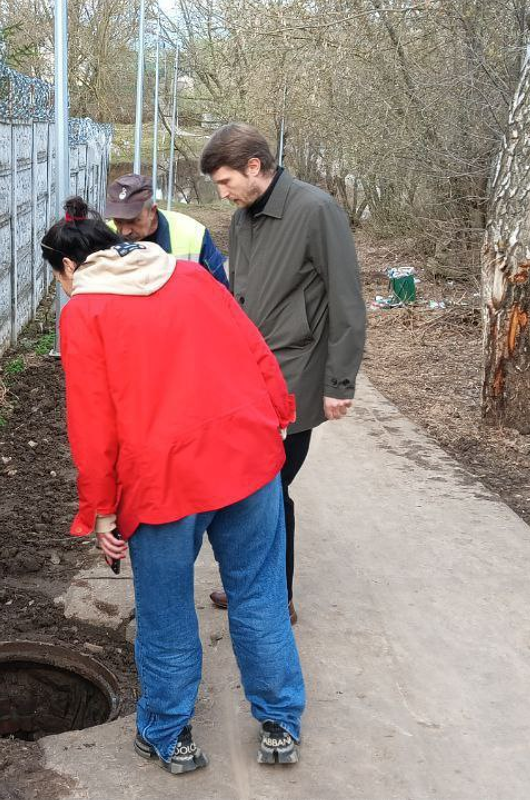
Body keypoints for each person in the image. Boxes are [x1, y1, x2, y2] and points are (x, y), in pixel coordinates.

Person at [45, 197, 306, 773]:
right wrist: (278, 414)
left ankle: (168, 734)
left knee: (165, 613)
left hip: (162, 484)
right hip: (247, 460)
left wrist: (102, 512)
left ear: (68, 268)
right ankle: (282, 724)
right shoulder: (188, 274)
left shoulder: (83, 314)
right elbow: (255, 348)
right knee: (259, 593)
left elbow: (94, 429)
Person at [199, 124, 367, 621]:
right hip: (246, 376)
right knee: (244, 485)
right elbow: (238, 296)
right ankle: (250, 581)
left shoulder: (316, 210)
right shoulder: (246, 217)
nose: (223, 193)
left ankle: (275, 597)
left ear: (255, 166)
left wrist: (339, 384)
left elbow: (347, 302)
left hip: (293, 377)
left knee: (270, 488)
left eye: (226, 181)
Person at [104, 173, 230, 288]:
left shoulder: (193, 234)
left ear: (152, 211)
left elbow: (225, 287)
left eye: (133, 220)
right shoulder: (103, 236)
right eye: (118, 221)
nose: (125, 231)